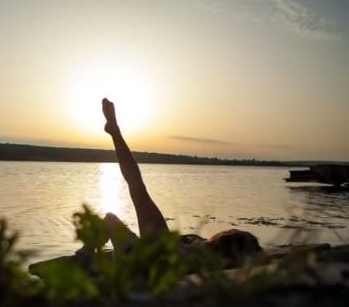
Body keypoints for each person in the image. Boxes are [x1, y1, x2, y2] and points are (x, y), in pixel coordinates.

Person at [77, 98, 265, 267]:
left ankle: (83, 257)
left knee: (129, 197)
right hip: (160, 251)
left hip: (144, 259)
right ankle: (115, 132)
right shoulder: (208, 253)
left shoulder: (209, 258)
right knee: (137, 188)